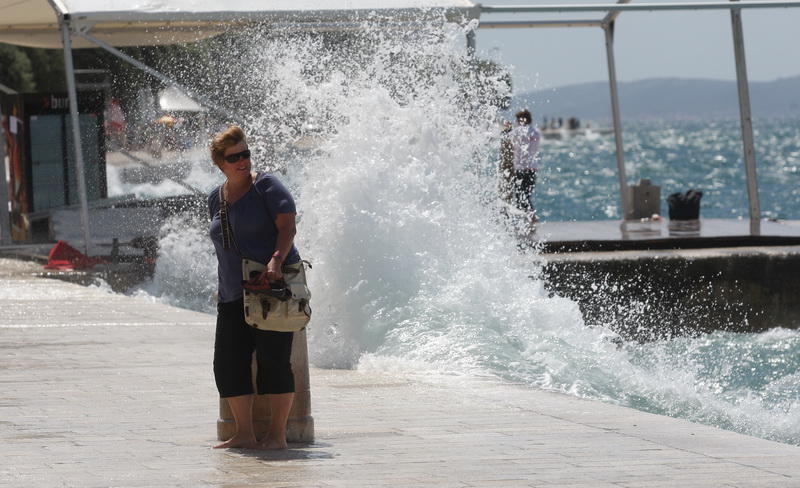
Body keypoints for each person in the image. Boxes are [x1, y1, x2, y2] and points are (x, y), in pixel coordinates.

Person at [207, 125, 301, 450]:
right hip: (232, 293)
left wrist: (275, 261)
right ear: (220, 162)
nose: (243, 161)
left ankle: (277, 436)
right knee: (227, 364)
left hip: (269, 287)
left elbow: (288, 226)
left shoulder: (267, 186)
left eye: (246, 154)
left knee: (274, 360)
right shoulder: (215, 198)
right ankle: (244, 433)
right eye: (235, 157)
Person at [512, 109, 541, 225]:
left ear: (521, 119)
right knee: (526, 194)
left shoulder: (519, 131)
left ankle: (530, 218)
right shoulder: (535, 131)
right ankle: (530, 217)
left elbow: (507, 138)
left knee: (520, 195)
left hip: (521, 168)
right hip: (533, 168)